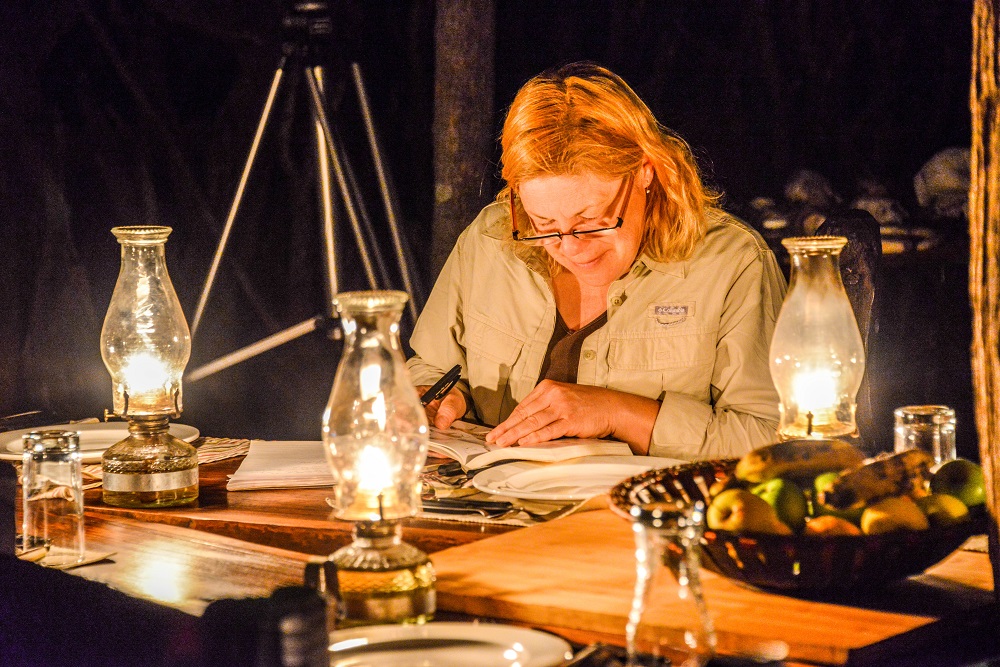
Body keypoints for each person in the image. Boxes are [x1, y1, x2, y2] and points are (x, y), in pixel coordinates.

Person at [408, 62, 786, 460]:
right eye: (544, 223)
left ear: (645, 171)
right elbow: (432, 369)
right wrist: (440, 398)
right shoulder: (490, 240)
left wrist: (616, 412)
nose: (571, 247)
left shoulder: (732, 264)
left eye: (591, 221)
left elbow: (772, 437)